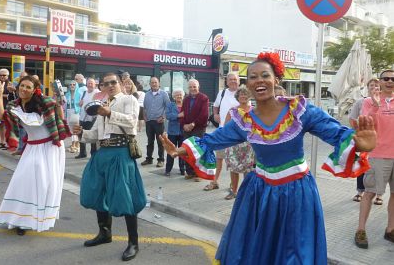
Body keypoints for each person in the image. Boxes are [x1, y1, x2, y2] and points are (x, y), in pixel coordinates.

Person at [160, 52, 376, 264]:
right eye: (252, 77)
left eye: (265, 75)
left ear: (276, 79)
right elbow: (215, 139)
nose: (259, 81)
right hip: (259, 193)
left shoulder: (299, 111)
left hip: (297, 193)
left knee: (294, 251)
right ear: (248, 84)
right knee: (256, 249)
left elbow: (334, 132)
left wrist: (359, 143)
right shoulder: (244, 120)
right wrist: (181, 150)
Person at [73, 72, 146, 261]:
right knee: (97, 191)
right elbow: (97, 134)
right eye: (106, 84)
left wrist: (110, 113)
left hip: (121, 152)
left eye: (114, 82)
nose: (111, 86)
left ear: (121, 83)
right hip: (102, 153)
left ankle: (133, 242)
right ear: (102, 87)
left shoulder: (129, 99)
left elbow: (132, 122)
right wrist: (82, 133)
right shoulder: (102, 105)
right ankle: (105, 233)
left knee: (124, 195)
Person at [0, 75, 70, 235]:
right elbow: (1, 117)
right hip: (32, 147)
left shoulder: (45, 102)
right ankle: (19, 218)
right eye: (22, 86)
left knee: (43, 184)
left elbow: (59, 118)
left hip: (50, 147)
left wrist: (59, 107)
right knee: (23, 181)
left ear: (34, 89)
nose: (24, 89)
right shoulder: (14, 105)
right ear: (18, 86)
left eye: (28, 87)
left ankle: (31, 220)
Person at [355, 69, 394, 249]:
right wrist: (377, 106)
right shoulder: (368, 101)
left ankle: (390, 229)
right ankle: (361, 230)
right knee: (369, 192)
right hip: (378, 154)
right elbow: (365, 123)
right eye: (386, 78)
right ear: (379, 81)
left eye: (393, 79)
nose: (390, 81)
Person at [204, 72, 240, 192]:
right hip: (222, 131)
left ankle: (232, 185)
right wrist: (215, 114)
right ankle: (215, 181)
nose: (233, 81)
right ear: (226, 81)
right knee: (219, 159)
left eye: (235, 79)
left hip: (236, 135)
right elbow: (216, 105)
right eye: (231, 79)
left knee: (234, 161)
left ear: (239, 81)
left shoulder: (243, 93)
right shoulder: (222, 92)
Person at [349, 78, 381, 203]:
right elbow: (352, 118)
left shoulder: (384, 101)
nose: (374, 87)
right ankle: (360, 191)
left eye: (376, 85)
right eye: (371, 85)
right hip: (365, 139)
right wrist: (358, 132)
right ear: (367, 88)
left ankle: (379, 194)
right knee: (362, 164)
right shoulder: (361, 102)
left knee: (379, 167)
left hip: (380, 140)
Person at [223, 87, 255, 200]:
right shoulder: (232, 111)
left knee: (248, 169)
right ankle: (234, 191)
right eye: (241, 94)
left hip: (248, 145)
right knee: (233, 168)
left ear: (249, 97)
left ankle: (246, 192)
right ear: (237, 97)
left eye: (246, 95)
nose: (243, 96)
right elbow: (226, 127)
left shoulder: (253, 111)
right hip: (234, 144)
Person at [181, 78, 209, 181]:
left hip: (198, 128)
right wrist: (184, 124)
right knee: (187, 151)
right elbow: (183, 113)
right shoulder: (186, 99)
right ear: (188, 88)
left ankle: (199, 174)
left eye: (194, 87)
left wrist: (193, 124)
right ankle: (190, 172)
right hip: (187, 128)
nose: (192, 88)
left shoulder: (204, 98)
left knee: (198, 151)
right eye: (190, 87)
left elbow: (204, 115)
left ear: (198, 87)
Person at [141, 77, 170, 167]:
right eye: (152, 82)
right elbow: (144, 107)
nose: (154, 84)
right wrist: (144, 117)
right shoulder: (147, 94)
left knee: (160, 142)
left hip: (159, 122)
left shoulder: (164, 94)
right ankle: (149, 159)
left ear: (159, 83)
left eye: (155, 82)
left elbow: (168, 107)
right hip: (149, 121)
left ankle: (160, 160)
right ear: (150, 84)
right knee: (150, 141)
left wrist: (163, 117)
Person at [76, 78, 100, 159]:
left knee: (92, 136)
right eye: (88, 83)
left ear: (94, 85)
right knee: (80, 135)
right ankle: (82, 152)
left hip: (92, 118)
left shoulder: (97, 92)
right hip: (82, 117)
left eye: (91, 83)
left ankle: (93, 153)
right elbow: (80, 104)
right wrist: (80, 103)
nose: (90, 85)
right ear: (86, 84)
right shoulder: (84, 92)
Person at [164, 89, 185, 176]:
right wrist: (178, 115)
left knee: (182, 152)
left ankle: (182, 169)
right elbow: (168, 115)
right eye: (177, 95)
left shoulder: (185, 105)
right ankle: (168, 170)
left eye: (180, 95)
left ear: (183, 96)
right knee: (171, 151)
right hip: (172, 131)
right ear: (174, 97)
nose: (179, 96)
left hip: (183, 131)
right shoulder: (170, 105)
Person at [0, 68, 15, 150]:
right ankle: (2, 141)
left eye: (4, 75)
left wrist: (0, 94)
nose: (2, 77)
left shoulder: (10, 84)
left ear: (8, 76)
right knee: (0, 125)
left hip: (8, 106)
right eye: (1, 75)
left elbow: (12, 96)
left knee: (8, 125)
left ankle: (8, 142)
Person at [65, 80, 81, 153]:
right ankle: (73, 145)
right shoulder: (67, 94)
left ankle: (77, 145)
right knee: (71, 130)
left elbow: (81, 105)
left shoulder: (79, 94)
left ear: (76, 85)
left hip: (76, 112)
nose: (72, 86)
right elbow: (64, 104)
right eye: (70, 84)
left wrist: (79, 111)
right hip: (68, 112)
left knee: (76, 129)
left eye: (74, 84)